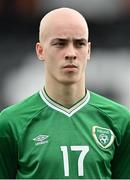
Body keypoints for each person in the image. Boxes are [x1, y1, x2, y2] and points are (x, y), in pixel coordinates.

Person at [0, 7, 130, 179]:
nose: (71, 53)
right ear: (40, 51)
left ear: (89, 50)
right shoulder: (11, 123)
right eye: (60, 43)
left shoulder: (120, 120)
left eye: (79, 44)